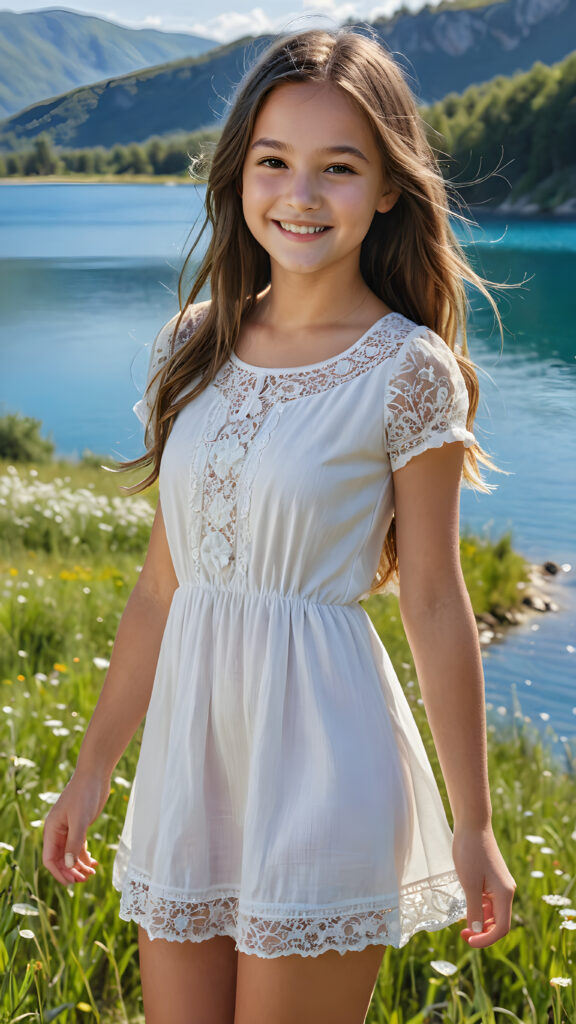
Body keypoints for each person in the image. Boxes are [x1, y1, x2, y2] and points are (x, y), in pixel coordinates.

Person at [42, 27, 517, 1024]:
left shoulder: (408, 370)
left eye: (338, 167)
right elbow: (159, 589)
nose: (300, 194)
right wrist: (92, 771)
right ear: (240, 175)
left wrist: (474, 824)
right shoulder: (191, 345)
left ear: (387, 186)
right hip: (189, 763)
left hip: (324, 757)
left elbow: (433, 598)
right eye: (275, 162)